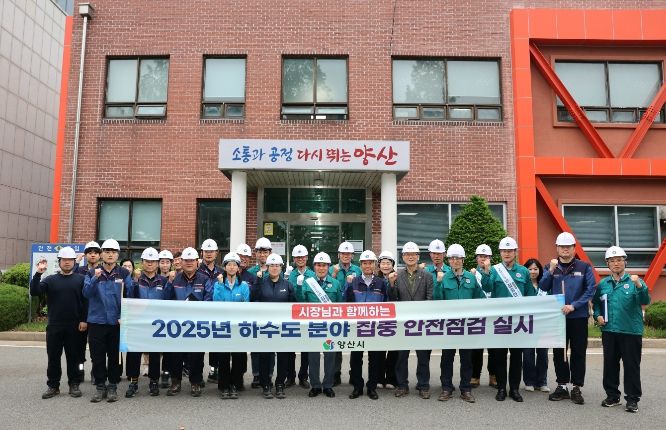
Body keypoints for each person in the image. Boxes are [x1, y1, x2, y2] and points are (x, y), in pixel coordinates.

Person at [539, 232, 596, 405]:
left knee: (578, 352)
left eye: (568, 246)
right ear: (557, 248)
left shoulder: (584, 267)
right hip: (558, 317)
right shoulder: (551, 266)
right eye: (562, 246)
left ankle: (576, 387)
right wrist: (550, 271)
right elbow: (543, 286)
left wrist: (574, 305)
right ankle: (562, 385)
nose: (565, 249)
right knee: (559, 352)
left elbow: (590, 289)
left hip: (578, 316)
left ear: (574, 248)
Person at [593, 246, 651, 413]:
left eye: (619, 260)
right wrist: (597, 316)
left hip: (630, 331)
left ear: (625, 262)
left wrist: (639, 285)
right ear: (607, 264)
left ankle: (632, 399)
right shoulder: (603, 284)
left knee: (631, 366)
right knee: (610, 365)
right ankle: (612, 396)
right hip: (609, 331)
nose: (616, 263)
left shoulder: (635, 281)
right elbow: (596, 304)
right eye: (612, 261)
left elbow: (645, 300)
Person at [480, 236, 535, 402]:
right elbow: (487, 288)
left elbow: (530, 295)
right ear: (500, 253)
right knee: (500, 356)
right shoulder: (494, 270)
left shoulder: (523, 271)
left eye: (510, 251)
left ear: (515, 252)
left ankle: (515, 389)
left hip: (518, 322)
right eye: (504, 251)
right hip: (500, 321)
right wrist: (486, 271)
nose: (507, 253)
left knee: (517, 357)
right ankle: (502, 388)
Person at [31, 247, 87, 399]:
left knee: (74, 357)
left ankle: (74, 384)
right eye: (64, 260)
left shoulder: (81, 279)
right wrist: (38, 274)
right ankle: (53, 386)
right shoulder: (50, 280)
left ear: (74, 262)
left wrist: (84, 319)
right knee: (53, 357)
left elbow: (86, 301)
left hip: (75, 325)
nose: (67, 262)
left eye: (70, 260)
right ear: (59, 262)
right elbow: (34, 291)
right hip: (55, 325)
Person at [433, 244, 485, 403]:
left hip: (467, 326)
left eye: (458, 258)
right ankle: (446, 388)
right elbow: (437, 301)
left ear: (463, 260)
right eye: (452, 258)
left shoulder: (471, 277)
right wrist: (438, 283)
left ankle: (466, 389)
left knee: (467, 359)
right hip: (449, 326)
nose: (455, 261)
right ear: (448, 260)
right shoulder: (444, 278)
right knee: (446, 359)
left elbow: (480, 299)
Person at [83, 239, 133, 403]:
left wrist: (124, 316)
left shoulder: (123, 273)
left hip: (116, 323)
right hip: (97, 322)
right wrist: (94, 278)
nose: (110, 255)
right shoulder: (92, 272)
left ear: (118, 255)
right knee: (97, 357)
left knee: (114, 357)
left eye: (113, 252)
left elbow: (130, 296)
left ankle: (112, 386)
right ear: (101, 254)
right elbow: (86, 293)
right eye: (107, 251)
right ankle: (100, 386)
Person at [294, 252, 343, 398]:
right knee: (313, 356)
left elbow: (340, 304)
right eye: (318, 265)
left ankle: (328, 385)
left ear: (328, 267)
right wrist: (299, 287)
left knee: (330, 356)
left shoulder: (335, 283)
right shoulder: (308, 282)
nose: (321, 268)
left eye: (324, 265)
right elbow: (301, 303)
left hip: (330, 326)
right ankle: (315, 385)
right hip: (313, 326)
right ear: (314, 267)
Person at [124, 247, 171, 398]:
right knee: (134, 353)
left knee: (155, 353)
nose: (150, 264)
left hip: (156, 324)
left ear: (157, 263)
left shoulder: (164, 282)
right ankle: (133, 382)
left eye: (153, 261)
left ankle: (154, 381)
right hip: (138, 323)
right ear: (142, 262)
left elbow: (168, 302)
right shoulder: (136, 281)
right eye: (147, 261)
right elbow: (129, 299)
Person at [166, 247, 213, 397]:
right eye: (186, 260)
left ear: (197, 262)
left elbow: (208, 299)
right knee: (176, 355)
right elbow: (167, 299)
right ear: (181, 262)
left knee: (196, 355)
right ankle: (175, 382)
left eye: (192, 260)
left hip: (197, 324)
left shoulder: (204, 279)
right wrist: (169, 282)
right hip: (178, 324)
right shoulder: (175, 279)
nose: (189, 263)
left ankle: (195, 382)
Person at [390, 241, 434, 399]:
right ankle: (402, 385)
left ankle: (423, 385)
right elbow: (393, 299)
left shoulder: (427, 276)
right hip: (403, 324)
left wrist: (422, 316)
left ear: (418, 256)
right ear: (403, 257)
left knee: (423, 357)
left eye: (413, 254)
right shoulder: (397, 275)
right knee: (401, 357)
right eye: (407, 254)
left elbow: (430, 298)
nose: (410, 257)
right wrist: (391, 284)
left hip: (421, 323)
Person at [346, 250, 391, 400]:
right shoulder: (353, 282)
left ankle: (372, 387)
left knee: (375, 358)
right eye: (364, 263)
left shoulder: (381, 283)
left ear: (375, 265)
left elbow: (386, 303)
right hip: (356, 327)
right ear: (360, 265)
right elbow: (346, 303)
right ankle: (357, 387)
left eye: (370, 263)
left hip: (375, 327)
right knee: (355, 358)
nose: (367, 266)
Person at [251, 253, 295, 399]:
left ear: (281, 267)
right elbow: (253, 299)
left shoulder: (287, 285)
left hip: (283, 327)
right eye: (271, 266)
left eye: (277, 265)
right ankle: (265, 384)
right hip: (266, 326)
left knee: (283, 357)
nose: (274, 268)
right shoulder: (261, 283)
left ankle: (280, 384)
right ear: (267, 267)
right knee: (265, 356)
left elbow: (293, 305)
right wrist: (257, 282)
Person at [208, 252, 250, 400]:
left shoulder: (243, 285)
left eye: (234, 265)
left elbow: (246, 304)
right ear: (224, 267)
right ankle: (224, 385)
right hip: (223, 325)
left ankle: (236, 384)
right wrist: (220, 285)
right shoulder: (218, 284)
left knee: (239, 357)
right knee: (224, 357)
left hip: (238, 327)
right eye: (229, 265)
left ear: (238, 268)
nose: (232, 267)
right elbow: (217, 302)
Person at [330, 241, 362, 386]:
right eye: (343, 253)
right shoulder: (332, 269)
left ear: (352, 256)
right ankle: (335, 374)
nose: (346, 256)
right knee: (336, 344)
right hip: (336, 310)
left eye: (348, 254)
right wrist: (334, 274)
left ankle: (354, 374)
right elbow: (327, 286)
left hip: (353, 310)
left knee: (355, 343)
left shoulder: (358, 270)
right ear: (339, 255)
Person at [247, 237, 274, 388]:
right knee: (256, 346)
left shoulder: (275, 269)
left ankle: (269, 375)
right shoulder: (250, 272)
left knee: (271, 347)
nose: (262, 254)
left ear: (270, 252)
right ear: (255, 253)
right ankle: (256, 375)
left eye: (265, 251)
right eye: (259, 251)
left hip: (271, 314)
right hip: (255, 314)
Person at [286, 244, 313, 389]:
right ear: (294, 259)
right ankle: (290, 377)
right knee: (290, 348)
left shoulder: (312, 274)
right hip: (292, 314)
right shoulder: (290, 274)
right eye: (297, 257)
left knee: (306, 349)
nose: (300, 259)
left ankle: (303, 376)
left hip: (307, 315)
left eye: (302, 257)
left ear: (307, 258)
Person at [470, 244, 496, 388]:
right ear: (476, 258)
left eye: (486, 256)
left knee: (494, 349)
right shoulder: (471, 274)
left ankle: (493, 376)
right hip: (477, 315)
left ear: (490, 258)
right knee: (476, 348)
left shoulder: (496, 272)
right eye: (480, 256)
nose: (483, 259)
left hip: (493, 314)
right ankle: (475, 376)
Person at [75, 241, 101, 384]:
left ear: (99, 255)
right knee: (79, 347)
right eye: (89, 253)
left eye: (95, 253)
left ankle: (95, 372)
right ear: (85, 255)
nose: (92, 255)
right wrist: (76, 262)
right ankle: (79, 371)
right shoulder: (80, 270)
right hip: (82, 313)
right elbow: (70, 278)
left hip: (98, 315)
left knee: (96, 348)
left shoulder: (104, 271)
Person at [522, 258, 550, 393]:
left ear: (540, 270)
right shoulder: (522, 285)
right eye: (530, 269)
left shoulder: (545, 285)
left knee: (543, 354)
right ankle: (529, 381)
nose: (533, 272)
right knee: (528, 354)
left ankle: (542, 381)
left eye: (535, 269)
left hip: (542, 325)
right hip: (526, 325)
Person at [198, 239, 222, 385]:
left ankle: (214, 370)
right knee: (199, 344)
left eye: (211, 251)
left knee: (216, 342)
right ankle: (198, 374)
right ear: (202, 252)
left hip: (218, 312)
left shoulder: (222, 271)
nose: (208, 254)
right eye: (206, 251)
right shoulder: (196, 270)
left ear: (216, 253)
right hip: (201, 311)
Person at [376, 251, 398, 389]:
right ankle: (379, 378)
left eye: (388, 263)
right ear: (379, 265)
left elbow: (397, 296)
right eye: (383, 263)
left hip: (394, 318)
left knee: (393, 351)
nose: (385, 266)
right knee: (379, 351)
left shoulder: (399, 278)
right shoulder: (375, 279)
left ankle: (391, 378)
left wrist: (391, 283)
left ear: (392, 265)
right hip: (379, 319)